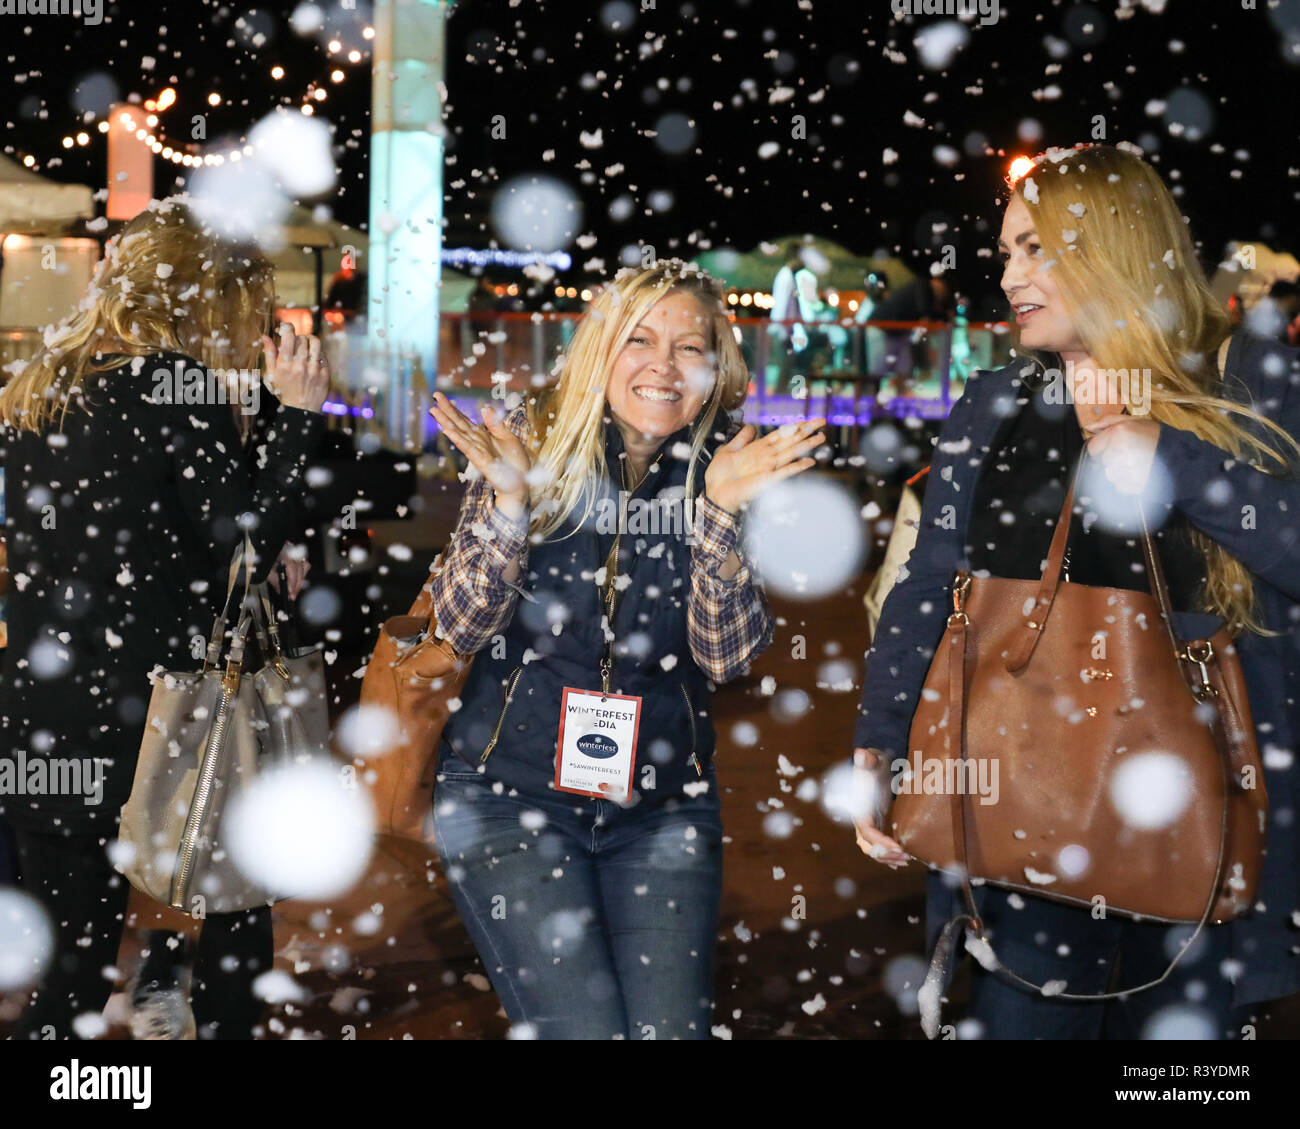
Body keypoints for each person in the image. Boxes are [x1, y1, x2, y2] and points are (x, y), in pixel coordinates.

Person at [851, 143, 1300, 1040]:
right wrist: (878, 741)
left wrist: (1172, 457)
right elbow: (930, 590)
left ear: (1113, 250)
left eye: (1035, 249)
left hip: (1202, 812)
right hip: (1030, 804)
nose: (1009, 272)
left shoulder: (1247, 384)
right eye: (1007, 249)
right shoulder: (995, 401)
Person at [427, 259, 826, 1039]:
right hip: (509, 796)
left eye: (690, 346)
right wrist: (510, 506)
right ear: (600, 349)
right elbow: (459, 626)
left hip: (664, 807)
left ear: (716, 369)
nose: (663, 366)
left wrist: (716, 514)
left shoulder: (732, 466)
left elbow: (728, 657)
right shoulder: (533, 443)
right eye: (640, 340)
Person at [0, 196, 329, 1040]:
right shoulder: (171, 385)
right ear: (203, 297)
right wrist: (294, 415)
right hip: (163, 713)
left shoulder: (46, 378)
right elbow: (243, 538)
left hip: (45, 711)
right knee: (235, 902)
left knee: (70, 962)